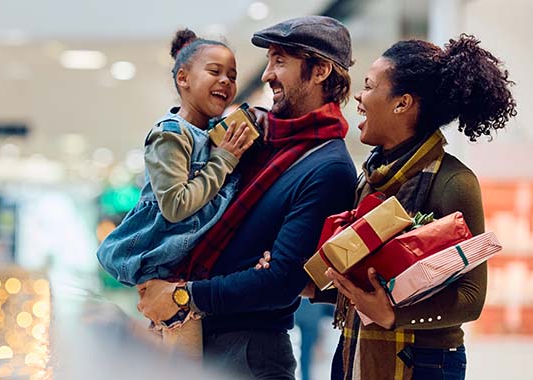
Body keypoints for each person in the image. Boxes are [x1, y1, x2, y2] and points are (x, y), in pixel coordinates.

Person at [136, 16, 357, 379]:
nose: (268, 74)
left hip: (250, 353)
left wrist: (182, 295)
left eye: (280, 61)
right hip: (193, 337)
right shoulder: (256, 138)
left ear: (319, 71)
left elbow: (279, 282)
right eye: (269, 60)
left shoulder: (328, 166)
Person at [319, 35, 517, 380]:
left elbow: (472, 297)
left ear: (402, 103)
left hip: (427, 362)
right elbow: (368, 284)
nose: (359, 97)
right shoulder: (370, 178)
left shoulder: (454, 182)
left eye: (368, 86)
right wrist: (314, 283)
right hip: (355, 349)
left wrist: (393, 315)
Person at [96, 28, 254, 357]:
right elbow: (175, 205)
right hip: (166, 273)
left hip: (188, 273)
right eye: (214, 72)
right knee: (184, 367)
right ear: (183, 78)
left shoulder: (212, 137)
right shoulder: (170, 135)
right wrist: (224, 160)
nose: (225, 81)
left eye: (232, 75)